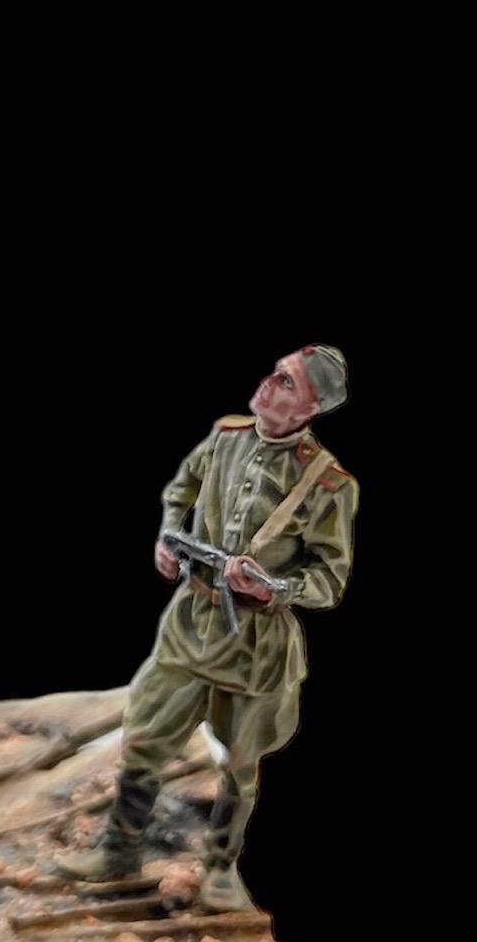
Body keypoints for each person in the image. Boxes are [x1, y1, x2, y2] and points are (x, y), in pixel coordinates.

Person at [58, 347, 358, 912]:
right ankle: (120, 850)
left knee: (241, 763)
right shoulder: (225, 437)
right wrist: (168, 538)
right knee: (145, 734)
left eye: (286, 382)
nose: (268, 382)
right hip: (192, 621)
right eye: (275, 371)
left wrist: (274, 588)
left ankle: (221, 867)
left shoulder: (329, 485)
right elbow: (182, 490)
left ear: (311, 406)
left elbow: (329, 579)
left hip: (257, 643)